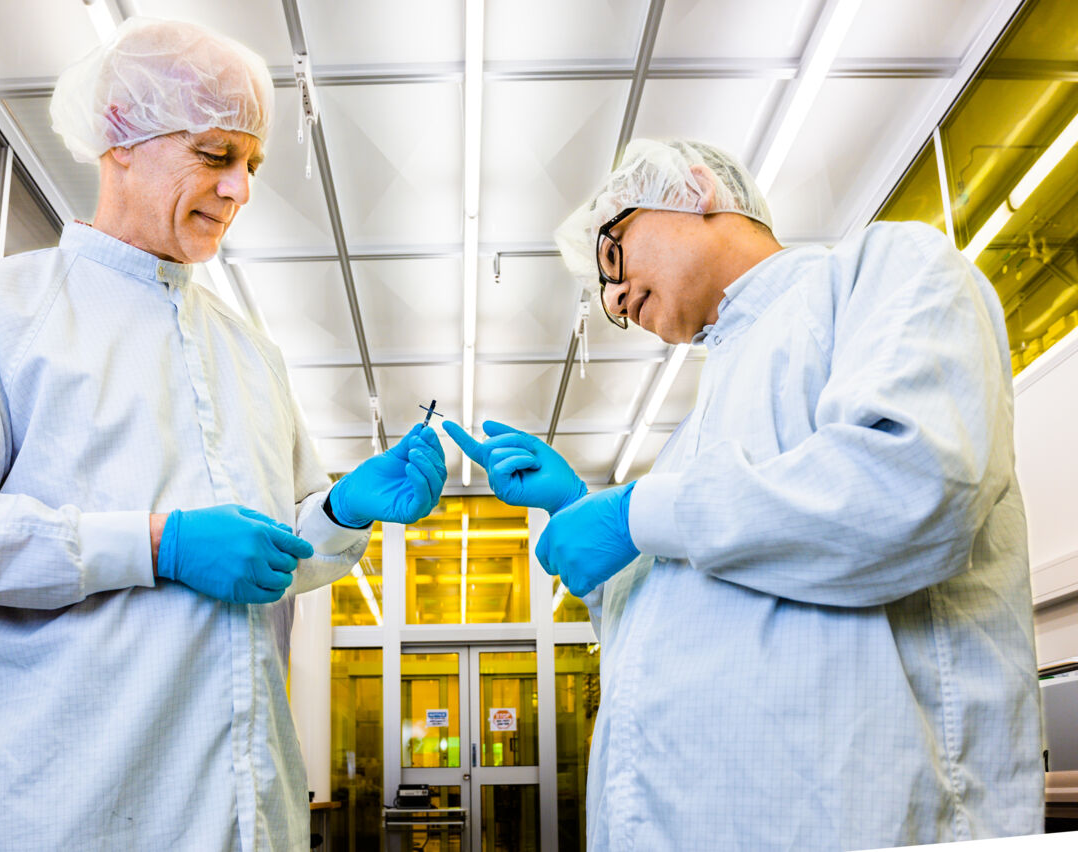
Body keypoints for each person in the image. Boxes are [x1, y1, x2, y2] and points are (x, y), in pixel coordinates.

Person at [0, 18, 445, 851]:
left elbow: (265, 562)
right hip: (78, 816)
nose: (240, 189)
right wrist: (154, 544)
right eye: (215, 155)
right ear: (122, 137)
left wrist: (342, 513)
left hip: (250, 814)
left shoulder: (250, 352)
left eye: (252, 165)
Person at [446, 138, 1043, 849]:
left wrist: (639, 511)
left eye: (612, 254)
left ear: (696, 189)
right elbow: (682, 627)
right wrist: (588, 519)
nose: (611, 296)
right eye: (602, 293)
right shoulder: (694, 433)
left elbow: (910, 488)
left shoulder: (883, 272)